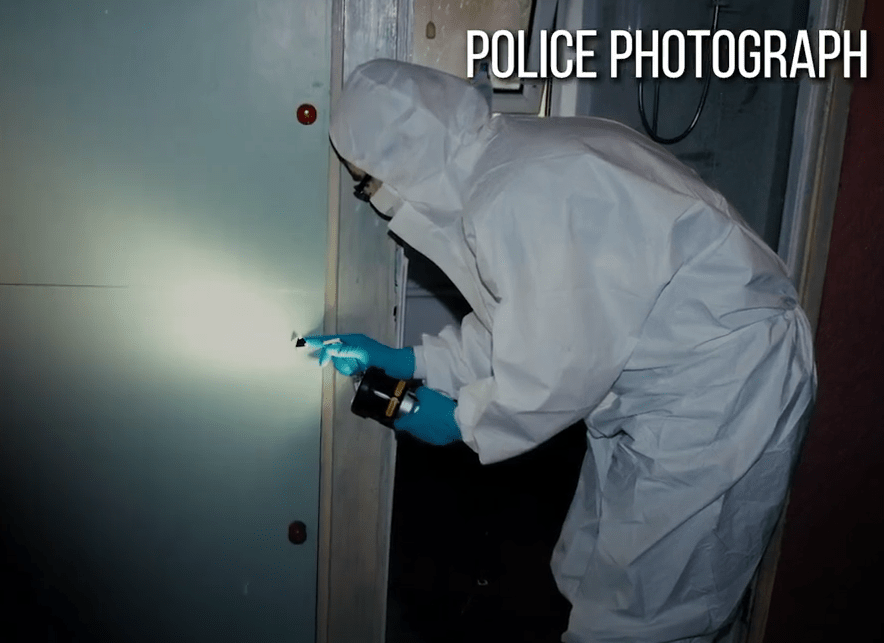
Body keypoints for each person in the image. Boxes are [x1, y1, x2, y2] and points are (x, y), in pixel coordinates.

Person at [304, 59, 816, 643]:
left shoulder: (513, 197)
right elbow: (526, 322)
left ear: (400, 161)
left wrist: (461, 421)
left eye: (365, 182)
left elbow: (555, 367)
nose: (370, 199)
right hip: (667, 382)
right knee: (596, 571)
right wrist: (417, 363)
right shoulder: (508, 164)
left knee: (646, 617)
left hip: (719, 392)